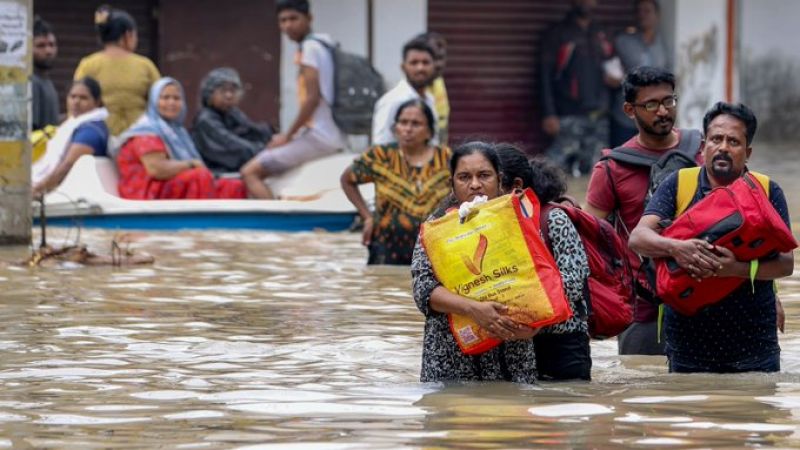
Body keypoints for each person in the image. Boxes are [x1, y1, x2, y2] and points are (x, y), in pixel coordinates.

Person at [628, 102, 793, 373]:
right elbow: (638, 238)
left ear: (747, 152)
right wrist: (678, 248)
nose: (723, 147)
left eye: (734, 141)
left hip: (754, 345)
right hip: (688, 342)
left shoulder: (767, 190)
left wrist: (735, 269)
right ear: (703, 146)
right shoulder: (679, 184)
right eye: (716, 139)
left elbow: (786, 264)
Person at [584, 66, 701, 355]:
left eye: (668, 101)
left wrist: (766, 297)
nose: (662, 111)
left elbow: (745, 221)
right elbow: (589, 237)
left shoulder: (702, 151)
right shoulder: (612, 169)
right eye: (651, 105)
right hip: (643, 303)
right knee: (641, 386)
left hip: (706, 293)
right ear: (629, 110)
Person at [411, 141, 539, 383]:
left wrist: (535, 325)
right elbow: (423, 290)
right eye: (464, 177)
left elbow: (540, 280)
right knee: (454, 417)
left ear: (499, 179)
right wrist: (473, 309)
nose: (475, 185)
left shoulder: (519, 220)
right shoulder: (435, 228)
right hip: (451, 357)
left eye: (484, 175)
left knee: (513, 418)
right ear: (452, 183)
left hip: (512, 354)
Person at [497, 146, 592, 381]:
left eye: (489, 178)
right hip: (518, 341)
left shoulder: (553, 218)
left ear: (515, 185)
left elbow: (571, 281)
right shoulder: (495, 225)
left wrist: (536, 320)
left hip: (563, 341)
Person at [240, 0, 346, 199]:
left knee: (249, 172)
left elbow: (312, 99)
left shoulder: (310, 49)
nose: (288, 25)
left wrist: (287, 136)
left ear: (309, 18)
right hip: (331, 133)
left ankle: (274, 222)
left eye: (293, 18)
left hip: (319, 136)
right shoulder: (326, 44)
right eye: (283, 20)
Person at [341, 100, 451, 265]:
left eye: (416, 124)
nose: (407, 129)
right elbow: (347, 179)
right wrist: (367, 217)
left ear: (429, 132)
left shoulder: (446, 158)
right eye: (403, 122)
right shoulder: (381, 156)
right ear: (395, 128)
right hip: (385, 249)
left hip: (433, 250)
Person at [116, 77, 246, 200]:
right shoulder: (146, 131)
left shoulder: (177, 131)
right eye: (165, 98)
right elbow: (156, 170)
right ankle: (201, 221)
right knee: (199, 176)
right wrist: (190, 164)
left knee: (233, 186)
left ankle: (228, 223)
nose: (171, 103)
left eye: (176, 98)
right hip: (146, 191)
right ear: (154, 101)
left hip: (168, 185)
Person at [540, 0, 617, 177]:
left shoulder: (602, 33)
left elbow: (614, 67)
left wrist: (616, 79)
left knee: (598, 173)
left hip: (600, 116)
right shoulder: (558, 33)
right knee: (553, 169)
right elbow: (545, 76)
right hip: (568, 115)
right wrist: (549, 114)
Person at [74, 5, 160, 136]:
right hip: (140, 138)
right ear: (128, 35)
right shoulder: (145, 65)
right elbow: (159, 101)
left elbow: (75, 103)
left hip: (99, 136)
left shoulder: (88, 64)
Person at [609, 0, 673, 147]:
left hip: (654, 117)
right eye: (639, 11)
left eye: (647, 11)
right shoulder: (622, 42)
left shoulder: (664, 45)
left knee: (652, 162)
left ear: (658, 15)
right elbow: (610, 72)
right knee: (622, 162)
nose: (642, 15)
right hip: (625, 117)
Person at [32, 77, 110, 196]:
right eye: (73, 96)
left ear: (97, 101)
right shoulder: (71, 123)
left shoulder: (90, 130)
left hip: (73, 195)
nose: (76, 102)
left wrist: (38, 189)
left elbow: (67, 166)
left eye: (83, 98)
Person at [191, 67, 274, 174]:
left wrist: (273, 138)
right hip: (218, 173)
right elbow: (233, 146)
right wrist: (267, 150)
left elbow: (251, 130)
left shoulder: (232, 113)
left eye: (232, 90)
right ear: (209, 93)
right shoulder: (206, 120)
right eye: (223, 91)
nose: (229, 95)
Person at [371, 38, 438, 146]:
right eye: (414, 63)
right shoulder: (392, 100)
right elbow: (381, 146)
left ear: (434, 66)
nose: (420, 68)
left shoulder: (430, 99)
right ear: (403, 67)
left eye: (425, 62)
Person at [417, 31, 450, 146]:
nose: (439, 64)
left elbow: (442, 126)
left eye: (441, 57)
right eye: (434, 58)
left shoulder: (438, 82)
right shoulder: (409, 93)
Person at [32, 16, 60, 131]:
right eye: (41, 46)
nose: (48, 51)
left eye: (51, 45)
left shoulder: (46, 82)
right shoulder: (32, 83)